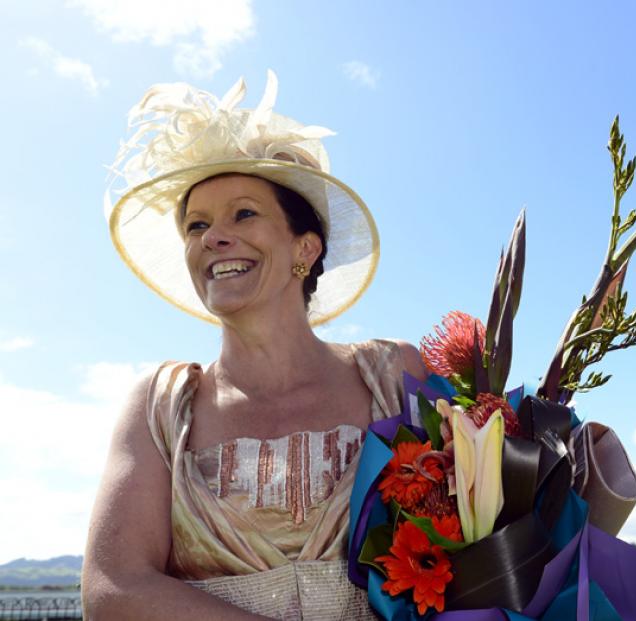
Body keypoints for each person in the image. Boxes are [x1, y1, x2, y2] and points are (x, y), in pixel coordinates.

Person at [81, 71, 426, 620]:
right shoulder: (160, 405)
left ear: (305, 249)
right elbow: (113, 588)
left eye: (243, 213)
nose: (212, 238)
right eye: (196, 226)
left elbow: (482, 535)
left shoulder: (395, 373)